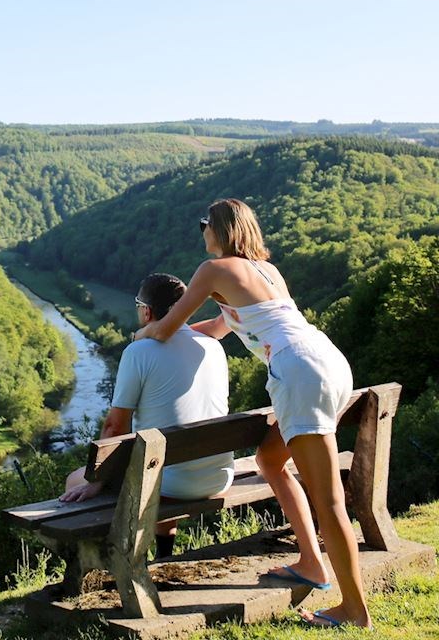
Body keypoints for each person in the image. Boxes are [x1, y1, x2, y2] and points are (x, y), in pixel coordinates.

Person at [132, 198, 370, 629]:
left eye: (204, 224)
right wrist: (173, 334)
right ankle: (312, 564)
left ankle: (354, 611)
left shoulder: (214, 270)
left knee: (330, 499)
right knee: (270, 461)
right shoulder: (266, 271)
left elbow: (166, 328)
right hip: (327, 361)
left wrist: (143, 333)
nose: (201, 231)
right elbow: (218, 330)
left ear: (218, 229)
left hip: (298, 372)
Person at [60, 272, 234, 559]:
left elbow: (115, 426)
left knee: (74, 481)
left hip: (169, 483)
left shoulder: (138, 352)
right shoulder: (213, 347)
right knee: (164, 463)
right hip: (218, 476)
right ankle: (164, 555)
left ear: (146, 310)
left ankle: (103, 562)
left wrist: (97, 480)